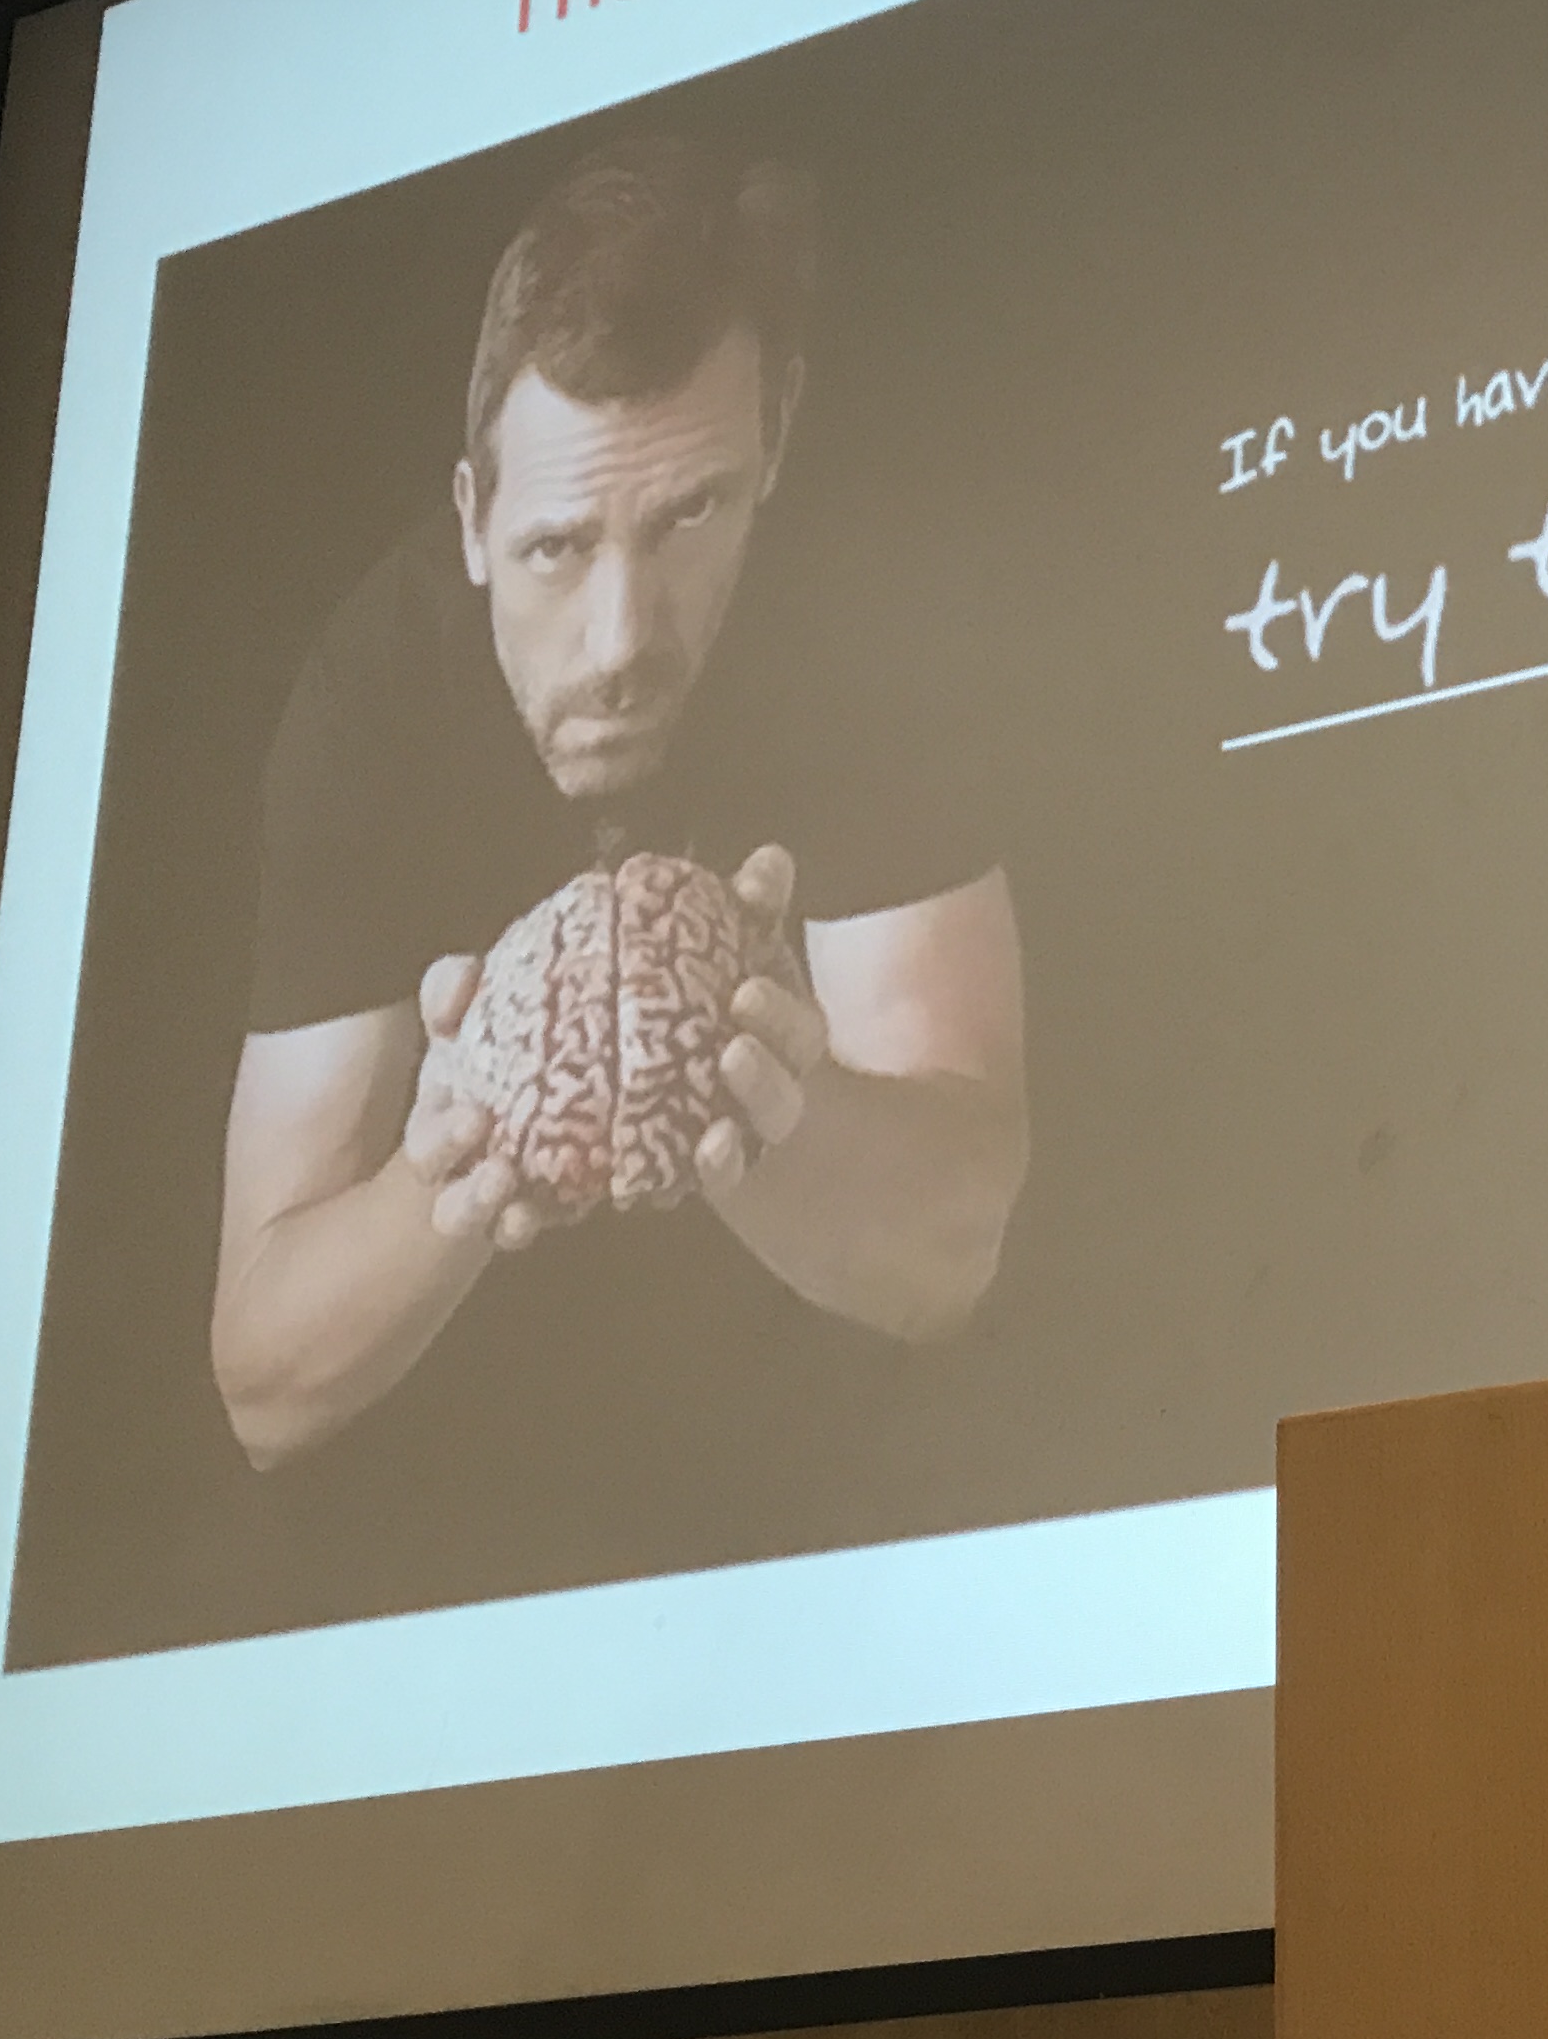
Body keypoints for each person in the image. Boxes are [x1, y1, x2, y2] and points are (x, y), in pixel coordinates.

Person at [213, 137, 1029, 1469]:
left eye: (691, 514)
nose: (620, 642)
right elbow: (262, 1382)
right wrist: (455, 1162)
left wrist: (761, 1095)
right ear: (472, 520)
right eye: (555, 546)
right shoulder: (375, 697)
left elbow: (957, 1256)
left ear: (775, 440)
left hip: (840, 1445)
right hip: (476, 1477)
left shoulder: (866, 635)